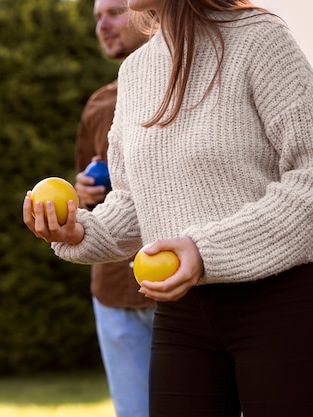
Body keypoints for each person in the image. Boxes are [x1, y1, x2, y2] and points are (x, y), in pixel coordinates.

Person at [23, 0, 313, 416]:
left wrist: (205, 251)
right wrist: (80, 231)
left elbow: (309, 177)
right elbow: (133, 198)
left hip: (281, 303)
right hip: (182, 315)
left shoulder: (260, 39)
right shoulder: (135, 71)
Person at [74, 1, 154, 417]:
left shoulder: (184, 89)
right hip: (111, 289)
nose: (102, 25)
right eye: (97, 17)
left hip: (174, 280)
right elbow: (84, 187)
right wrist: (82, 193)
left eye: (114, 12)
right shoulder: (98, 104)